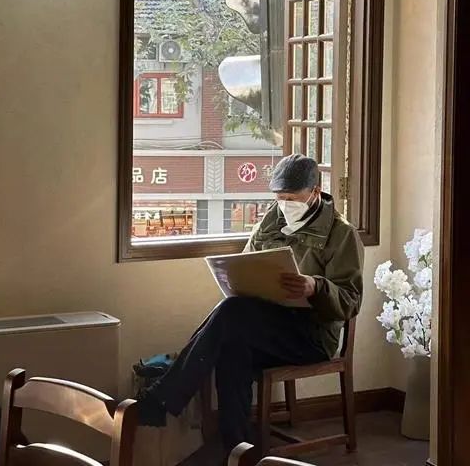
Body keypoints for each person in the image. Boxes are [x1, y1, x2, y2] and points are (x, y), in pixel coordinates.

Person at [137, 154, 364, 456]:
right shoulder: (271, 221)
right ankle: (237, 451)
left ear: (315, 192)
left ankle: (165, 396)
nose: (285, 204)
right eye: (280, 198)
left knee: (231, 314)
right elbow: (247, 265)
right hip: (270, 326)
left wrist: (316, 287)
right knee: (232, 346)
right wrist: (238, 279)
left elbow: (350, 301)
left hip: (312, 336)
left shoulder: (341, 233)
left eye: (292, 198)